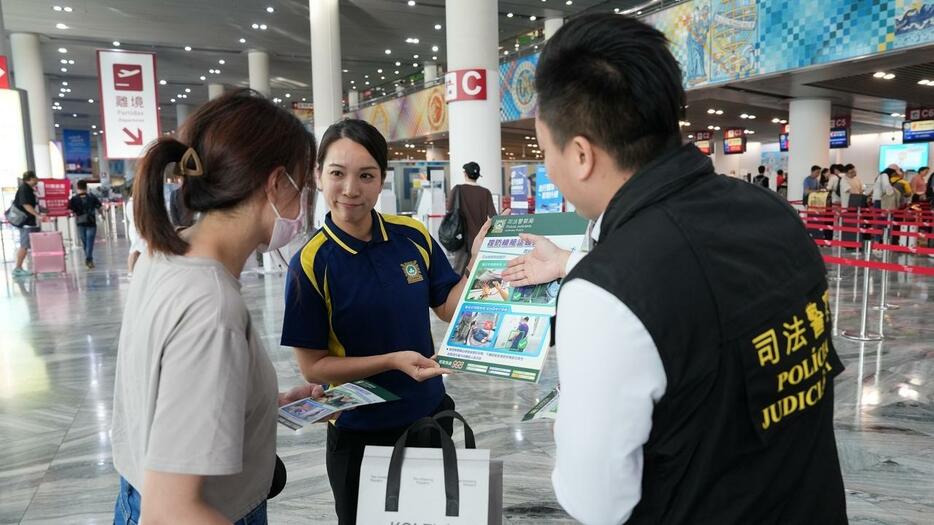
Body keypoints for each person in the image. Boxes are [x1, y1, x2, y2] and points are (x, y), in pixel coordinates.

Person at [501, 14, 846, 524]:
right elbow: (706, 301)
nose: (548, 166)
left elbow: (596, 502)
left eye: (545, 149)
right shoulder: (772, 214)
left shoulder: (607, 291)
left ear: (579, 154)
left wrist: (569, 427)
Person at [110, 89, 328, 525]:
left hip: (133, 489)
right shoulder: (212, 306)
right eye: (303, 187)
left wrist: (263, 403)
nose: (304, 204)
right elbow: (171, 510)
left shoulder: (166, 251)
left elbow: (169, 390)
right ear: (275, 183)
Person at [280, 119, 500, 525]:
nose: (351, 189)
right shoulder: (310, 263)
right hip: (361, 436)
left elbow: (449, 308)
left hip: (428, 423)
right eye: (337, 174)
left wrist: (478, 263)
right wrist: (392, 360)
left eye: (366, 175)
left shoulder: (411, 236)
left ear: (382, 177)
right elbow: (313, 367)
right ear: (318, 175)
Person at [447, 161, 497, 274]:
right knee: (478, 272)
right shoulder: (485, 192)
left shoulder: (458, 190)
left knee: (460, 270)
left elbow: (450, 209)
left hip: (461, 239)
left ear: (465, 174)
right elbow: (493, 216)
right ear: (478, 176)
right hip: (480, 239)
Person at [11, 171, 43, 277]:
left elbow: (33, 204)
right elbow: (26, 205)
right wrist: (38, 215)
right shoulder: (24, 188)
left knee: (29, 245)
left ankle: (38, 266)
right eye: (35, 178)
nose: (37, 180)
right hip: (26, 223)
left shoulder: (29, 189)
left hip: (30, 222)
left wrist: (43, 211)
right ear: (30, 178)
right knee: (24, 245)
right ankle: (17, 268)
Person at [67, 179, 103, 269]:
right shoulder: (92, 197)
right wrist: (102, 215)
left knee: (85, 242)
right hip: (91, 222)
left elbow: (70, 210)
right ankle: (89, 259)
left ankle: (88, 259)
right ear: (86, 187)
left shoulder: (74, 199)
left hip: (80, 223)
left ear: (77, 187)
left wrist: (75, 213)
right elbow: (99, 207)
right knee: (90, 242)